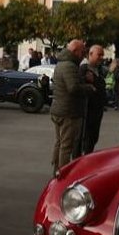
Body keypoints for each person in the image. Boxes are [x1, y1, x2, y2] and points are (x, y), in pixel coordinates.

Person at [50, 39, 94, 172]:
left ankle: (56, 170)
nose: (83, 54)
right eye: (82, 51)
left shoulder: (61, 64)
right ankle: (62, 173)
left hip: (59, 109)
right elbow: (73, 88)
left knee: (59, 142)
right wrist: (89, 87)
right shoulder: (69, 65)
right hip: (68, 112)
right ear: (75, 51)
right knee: (66, 145)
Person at [78, 44, 106, 155]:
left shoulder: (99, 69)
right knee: (85, 140)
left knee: (93, 138)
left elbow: (100, 86)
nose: (101, 57)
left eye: (102, 55)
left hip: (97, 110)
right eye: (99, 55)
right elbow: (82, 87)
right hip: (88, 111)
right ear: (90, 54)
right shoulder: (84, 68)